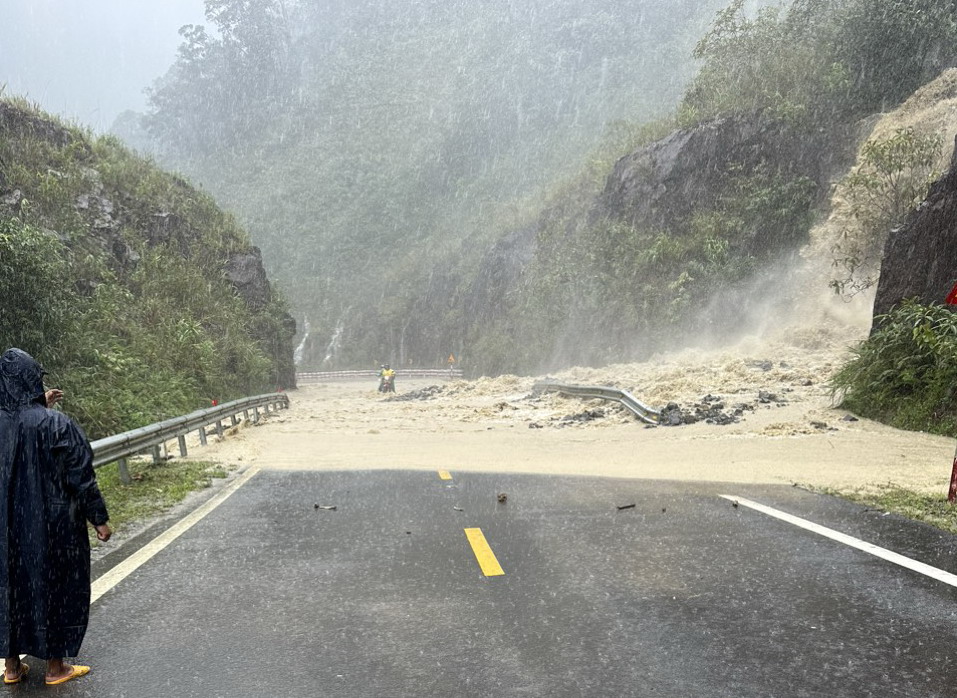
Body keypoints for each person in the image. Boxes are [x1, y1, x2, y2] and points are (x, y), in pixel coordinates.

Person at [0, 348, 111, 686]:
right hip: (51, 526)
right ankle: (55, 667)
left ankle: (11, 668)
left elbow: (18, 423)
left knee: (9, 587)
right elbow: (80, 474)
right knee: (54, 584)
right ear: (34, 380)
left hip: (5, 529)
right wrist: (99, 518)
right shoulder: (57, 425)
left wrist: (35, 406)